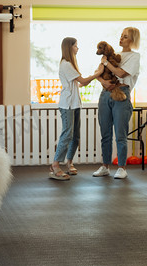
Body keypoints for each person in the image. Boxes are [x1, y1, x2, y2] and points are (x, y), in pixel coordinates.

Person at [50, 37, 103, 180]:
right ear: (69, 47)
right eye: (76, 46)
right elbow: (84, 82)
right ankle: (55, 165)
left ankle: (69, 162)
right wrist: (98, 73)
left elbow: (77, 83)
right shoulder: (66, 64)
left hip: (75, 104)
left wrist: (76, 85)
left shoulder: (71, 64)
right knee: (67, 134)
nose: (77, 48)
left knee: (76, 136)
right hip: (67, 105)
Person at [93, 27, 141, 179]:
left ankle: (121, 168)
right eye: (121, 36)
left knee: (120, 134)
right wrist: (104, 82)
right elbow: (97, 73)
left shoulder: (134, 57)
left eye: (125, 37)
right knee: (105, 134)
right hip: (105, 94)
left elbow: (120, 73)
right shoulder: (113, 55)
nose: (121, 39)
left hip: (122, 95)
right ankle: (105, 166)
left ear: (132, 40)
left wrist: (106, 62)